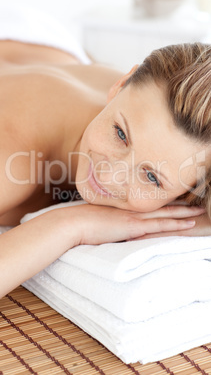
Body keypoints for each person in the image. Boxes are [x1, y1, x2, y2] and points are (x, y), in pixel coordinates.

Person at [0, 32, 210, 298]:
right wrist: (70, 225)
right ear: (120, 84)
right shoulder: (12, 161)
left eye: (152, 178)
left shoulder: (147, 104)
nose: (109, 176)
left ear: (187, 194)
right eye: (121, 134)